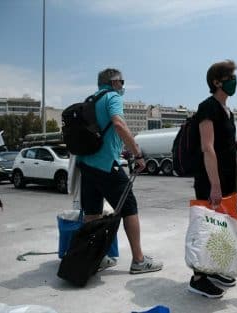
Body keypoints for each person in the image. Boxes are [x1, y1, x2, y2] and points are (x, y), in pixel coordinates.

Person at [77, 68, 163, 274]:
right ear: (114, 82)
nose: (123, 86)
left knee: (92, 212)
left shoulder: (91, 99)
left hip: (86, 163)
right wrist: (137, 154)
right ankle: (139, 261)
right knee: (130, 207)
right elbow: (118, 124)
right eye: (122, 82)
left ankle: (97, 258)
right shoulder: (112, 97)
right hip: (106, 163)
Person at [188, 60, 237, 298]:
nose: (234, 82)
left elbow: (225, 146)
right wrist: (215, 186)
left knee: (221, 229)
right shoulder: (207, 107)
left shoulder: (226, 111)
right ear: (216, 82)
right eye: (231, 78)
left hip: (227, 180)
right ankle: (198, 277)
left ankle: (214, 270)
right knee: (205, 227)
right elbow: (208, 148)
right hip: (212, 181)